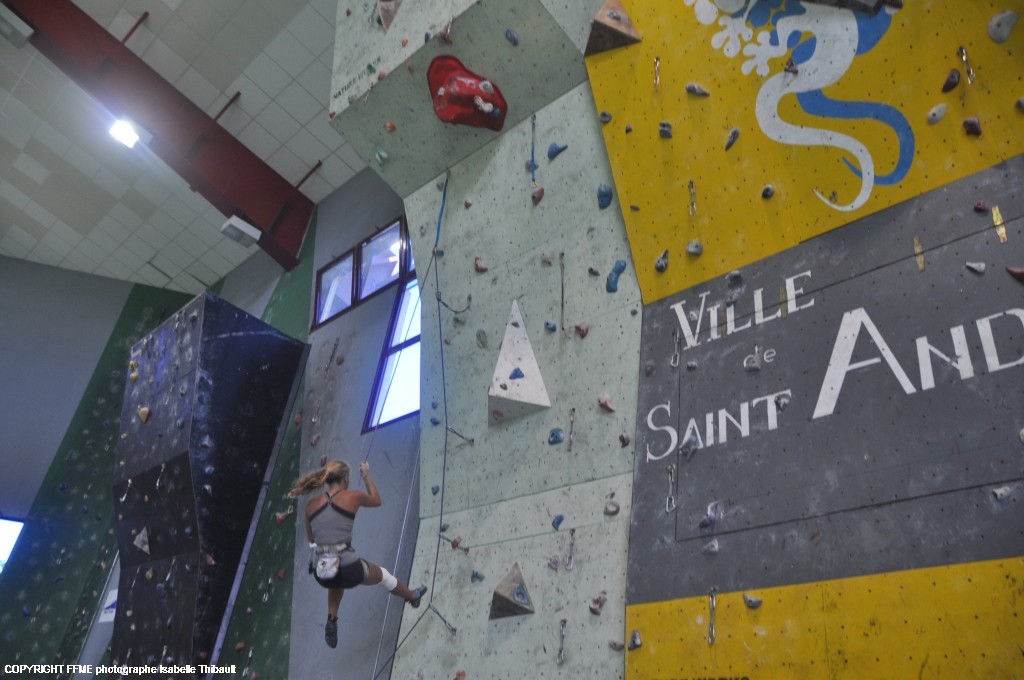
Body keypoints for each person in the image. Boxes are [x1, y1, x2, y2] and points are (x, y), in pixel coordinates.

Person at [288, 459, 426, 648]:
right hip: (349, 568)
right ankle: (412, 596)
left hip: (322, 572)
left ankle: (331, 620)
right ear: (345, 478)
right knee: (384, 576)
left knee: (335, 579)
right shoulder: (352, 496)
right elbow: (376, 500)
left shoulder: (311, 505)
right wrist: (366, 475)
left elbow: (311, 539)